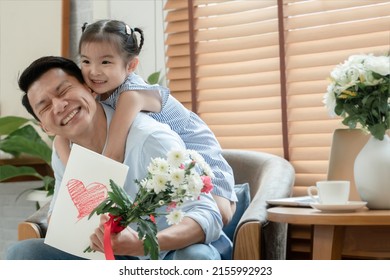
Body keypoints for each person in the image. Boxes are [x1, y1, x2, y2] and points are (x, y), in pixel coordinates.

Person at [6, 56, 229, 260]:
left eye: (64, 90)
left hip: (164, 251)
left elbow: (209, 214)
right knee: (22, 253)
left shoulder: (150, 139)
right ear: (45, 126)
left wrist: (142, 245)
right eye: (44, 106)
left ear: (91, 89)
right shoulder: (63, 148)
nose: (59, 105)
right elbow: (59, 210)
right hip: (106, 255)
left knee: (196, 258)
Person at [55, 19, 237, 225]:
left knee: (220, 214)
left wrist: (89, 194)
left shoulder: (131, 95)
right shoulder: (95, 89)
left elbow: (113, 153)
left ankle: (238, 200)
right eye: (86, 61)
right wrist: (62, 141)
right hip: (166, 154)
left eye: (105, 62)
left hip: (193, 143)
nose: (93, 71)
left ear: (131, 65)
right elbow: (64, 135)